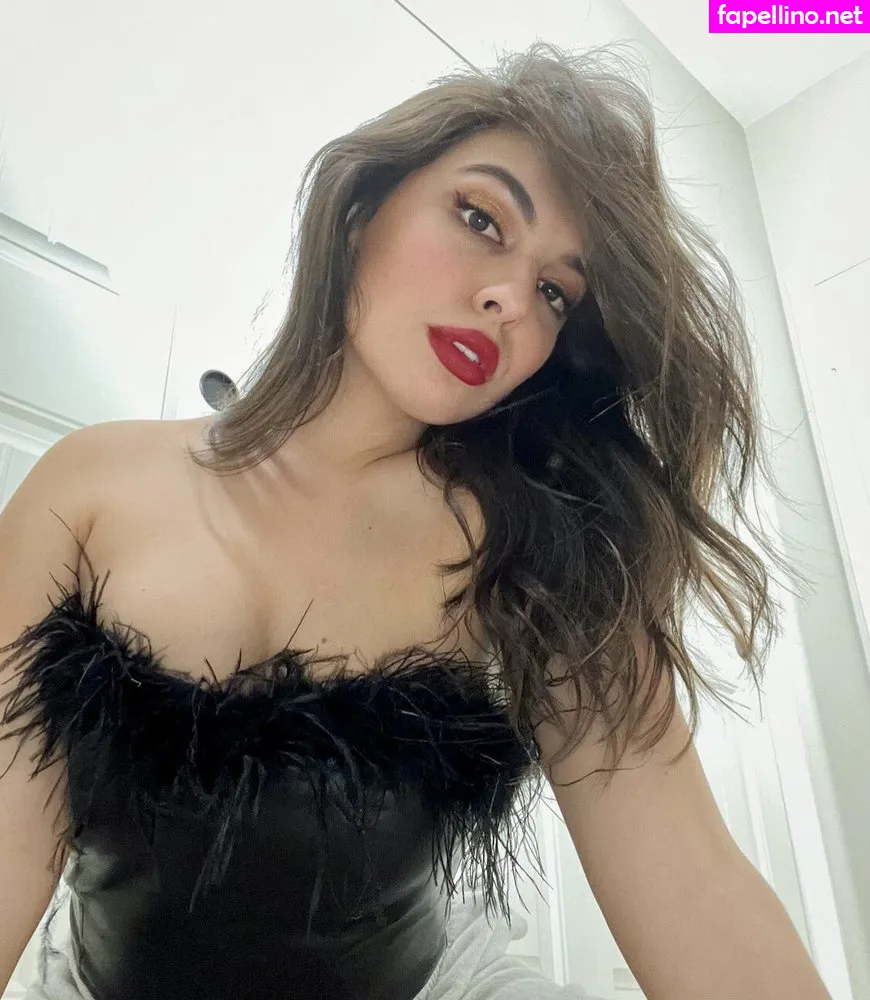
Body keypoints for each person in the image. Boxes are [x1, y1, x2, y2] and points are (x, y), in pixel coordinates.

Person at [0, 41, 832, 1000]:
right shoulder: (90, 486)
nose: (510, 298)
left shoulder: (537, 553)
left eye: (556, 292)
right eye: (481, 218)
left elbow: (693, 885)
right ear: (362, 209)